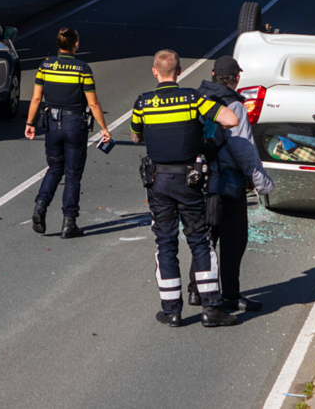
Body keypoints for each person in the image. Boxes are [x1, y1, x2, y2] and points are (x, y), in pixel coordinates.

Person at [131, 49, 240, 328]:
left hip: (157, 182)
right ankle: (211, 309)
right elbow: (231, 120)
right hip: (189, 182)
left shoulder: (143, 103)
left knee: (165, 243)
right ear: (179, 72)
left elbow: (135, 135)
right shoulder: (193, 99)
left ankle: (171, 311)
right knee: (199, 241)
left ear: (155, 72)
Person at [185, 56, 274, 313]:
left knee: (206, 237)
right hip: (227, 183)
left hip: (198, 180)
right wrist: (262, 183)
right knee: (234, 240)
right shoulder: (233, 105)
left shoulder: (195, 99)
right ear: (237, 78)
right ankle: (230, 296)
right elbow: (243, 149)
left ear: (213, 74)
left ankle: (196, 290)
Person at [26, 27, 111, 239]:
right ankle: (69, 223)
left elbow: (36, 99)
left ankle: (40, 206)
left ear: (58, 44)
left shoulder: (45, 66)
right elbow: (93, 103)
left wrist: (30, 123)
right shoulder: (82, 68)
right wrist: (104, 128)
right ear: (76, 44)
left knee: (54, 168)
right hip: (75, 124)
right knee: (73, 174)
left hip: (52, 124)